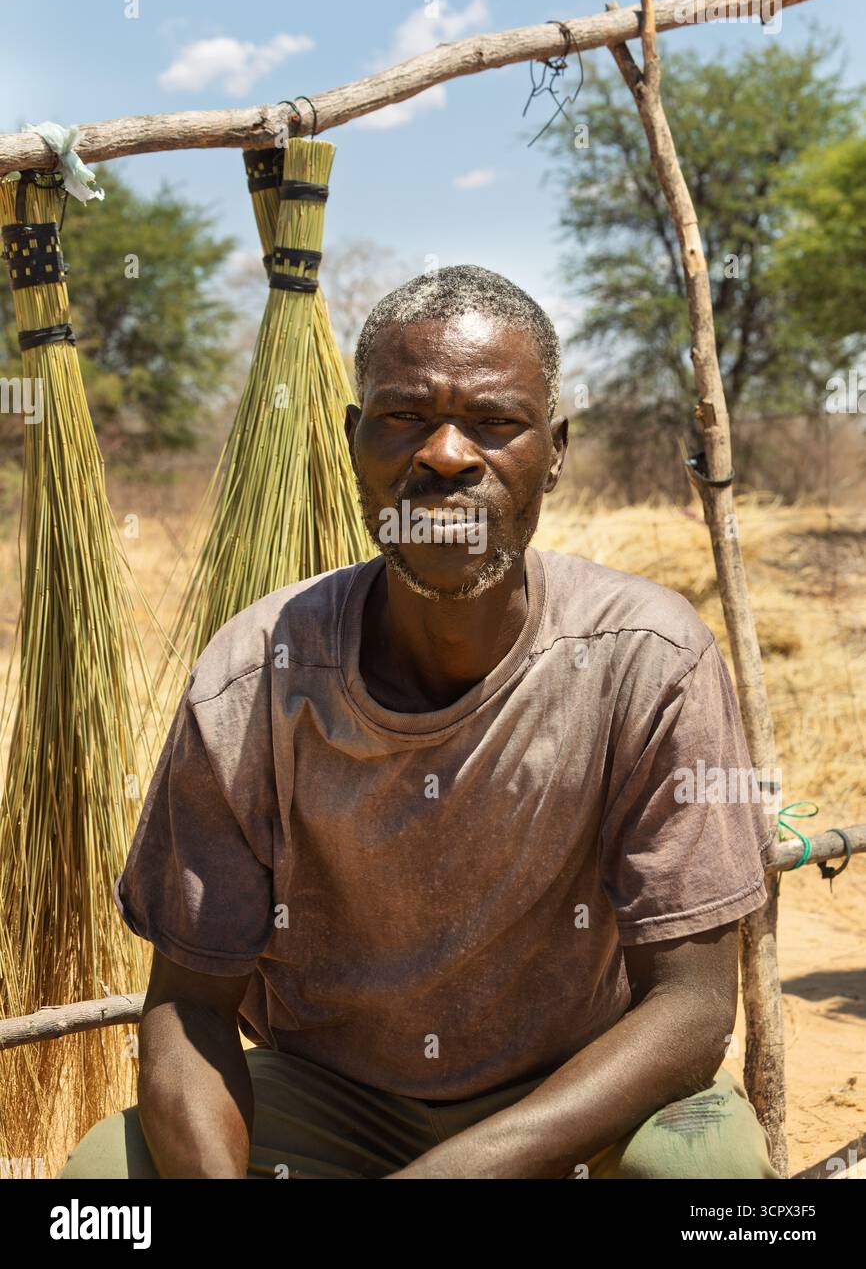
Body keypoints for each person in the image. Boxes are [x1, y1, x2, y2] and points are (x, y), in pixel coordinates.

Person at [58, 264, 779, 1180]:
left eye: (495, 422)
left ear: (554, 450)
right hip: (334, 1101)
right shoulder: (255, 679)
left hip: (578, 1092)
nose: (445, 454)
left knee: (705, 1181)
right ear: (351, 440)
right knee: (103, 1183)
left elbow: (691, 1009)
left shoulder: (648, 660)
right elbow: (188, 1008)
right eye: (403, 417)